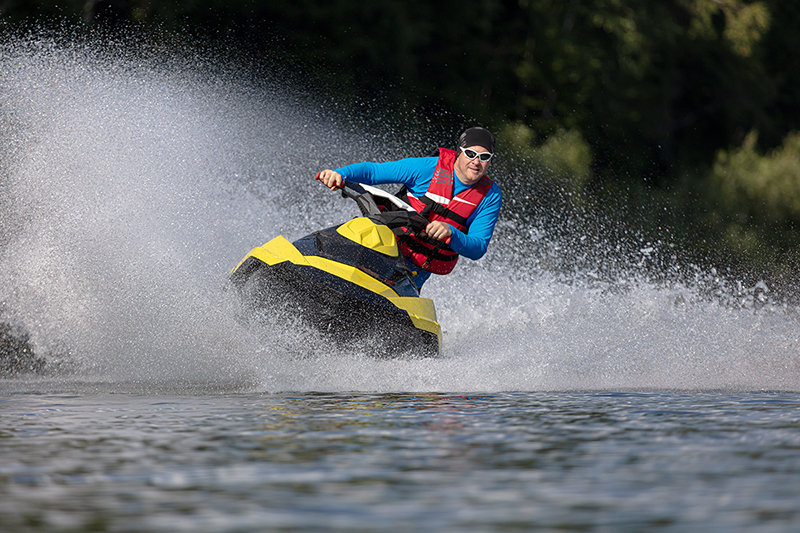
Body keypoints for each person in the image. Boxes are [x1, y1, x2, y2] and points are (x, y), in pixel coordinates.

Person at [316, 127, 502, 289]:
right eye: (470, 154)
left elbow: (478, 247)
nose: (476, 162)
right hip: (383, 246)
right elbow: (373, 172)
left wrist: (451, 232)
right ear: (459, 153)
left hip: (413, 274)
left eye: (484, 157)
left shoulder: (490, 197)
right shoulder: (427, 168)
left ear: (491, 161)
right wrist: (340, 174)